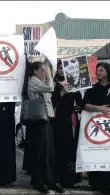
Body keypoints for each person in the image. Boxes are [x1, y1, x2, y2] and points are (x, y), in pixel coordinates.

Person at [23, 61, 63, 194]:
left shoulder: (42, 81)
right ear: (35, 71)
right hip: (38, 120)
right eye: (42, 70)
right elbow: (50, 89)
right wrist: (51, 76)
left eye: (45, 70)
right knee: (40, 151)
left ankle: (49, 180)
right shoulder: (33, 81)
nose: (44, 72)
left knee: (49, 151)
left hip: (46, 118)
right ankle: (39, 180)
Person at [51, 61, 82, 188]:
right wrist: (62, 92)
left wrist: (78, 106)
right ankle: (55, 177)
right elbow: (51, 100)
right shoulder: (52, 83)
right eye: (59, 67)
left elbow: (80, 102)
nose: (61, 70)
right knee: (57, 148)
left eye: (63, 68)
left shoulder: (74, 83)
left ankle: (69, 179)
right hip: (56, 120)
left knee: (70, 149)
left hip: (70, 121)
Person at [82, 62, 110, 193]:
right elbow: (85, 105)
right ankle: (96, 182)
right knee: (97, 154)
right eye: (97, 70)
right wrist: (100, 108)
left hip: (108, 128)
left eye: (102, 70)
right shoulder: (92, 88)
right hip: (95, 126)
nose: (98, 72)